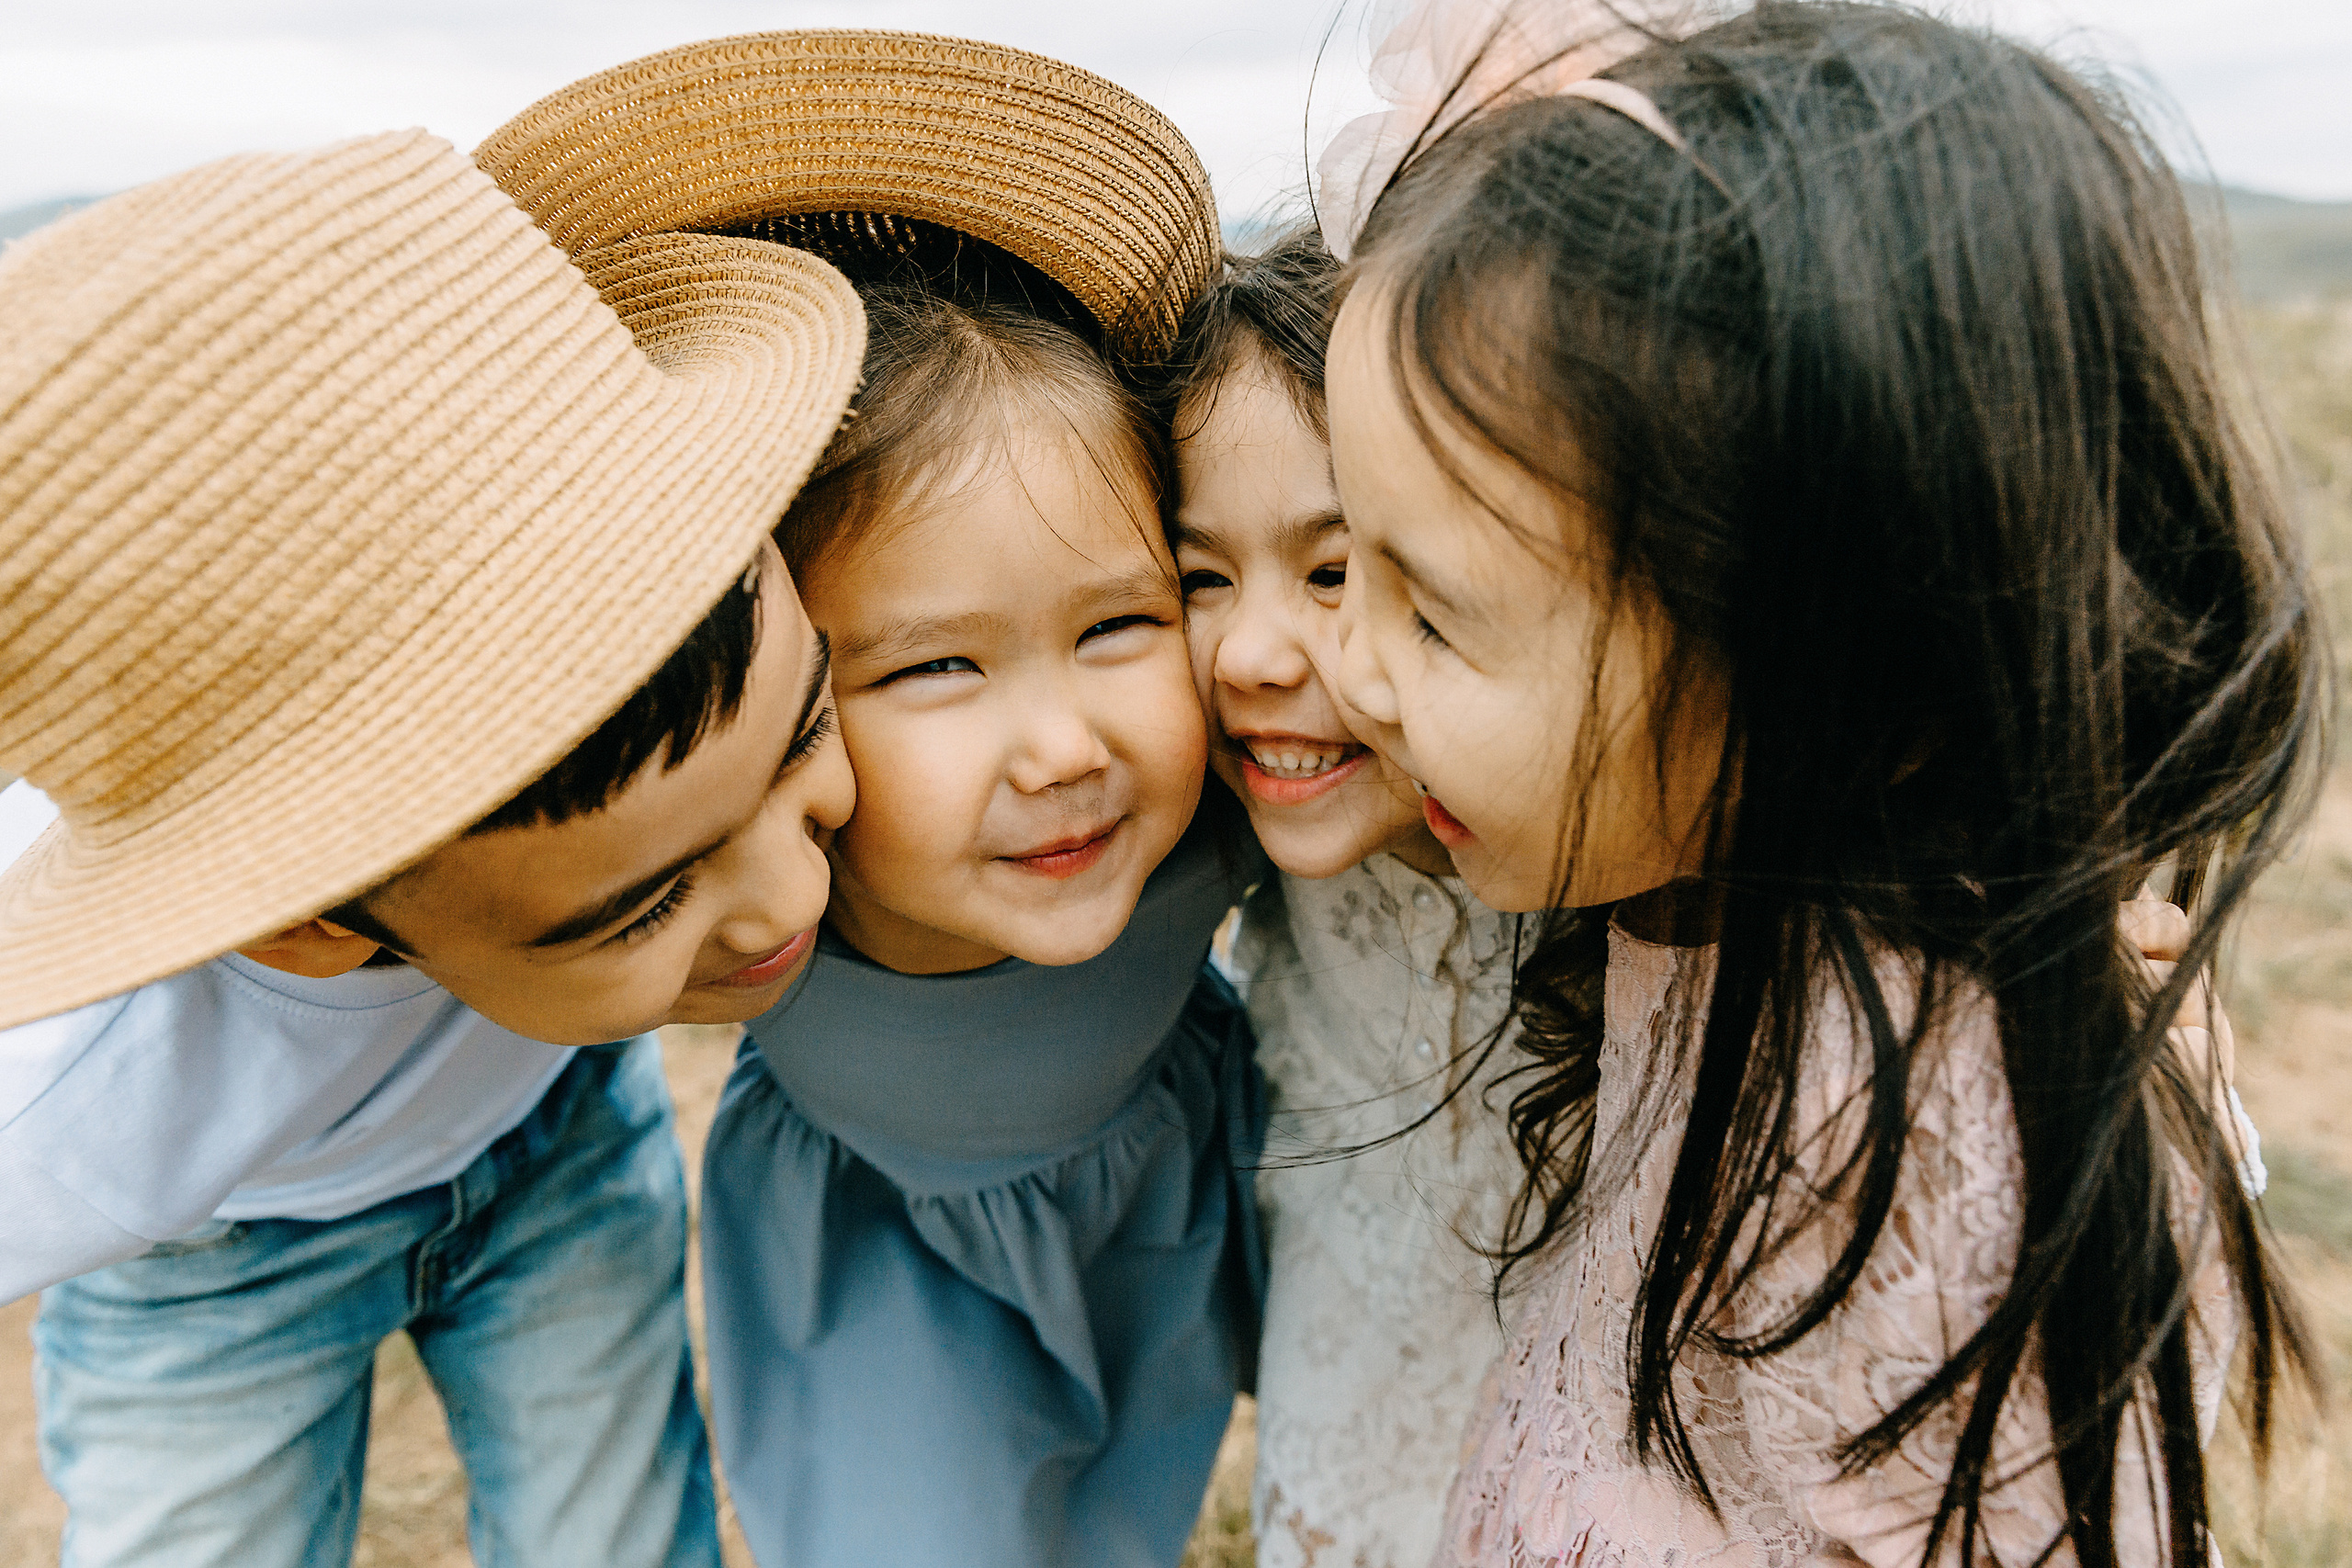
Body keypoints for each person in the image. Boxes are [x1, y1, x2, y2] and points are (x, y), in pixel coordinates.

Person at [1317, 3, 2313, 1563]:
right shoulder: (1695, 914)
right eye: (1346, 567)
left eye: (1432, 610)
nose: (1350, 672)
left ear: (1831, 652)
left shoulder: (1939, 1161)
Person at [0, 131, 865, 1568]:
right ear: (301, 924)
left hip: (555, 1138)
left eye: (804, 731)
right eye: (643, 900)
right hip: (222, 1264)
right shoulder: (79, 1096)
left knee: (620, 1536)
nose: (793, 891)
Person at [476, 33, 1258, 1568]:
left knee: (1129, 1518)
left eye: (1117, 626)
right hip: (883, 1263)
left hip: (1161, 1186)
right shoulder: (755, 885)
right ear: (788, 714)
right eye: (936, 673)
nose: (1061, 750)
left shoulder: (1214, 801)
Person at [1148, 223, 1530, 1568]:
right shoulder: (1206, 814)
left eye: (1332, 571)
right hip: (1346, 1370)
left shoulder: (1607, 862)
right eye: (1202, 578)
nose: (1251, 651)